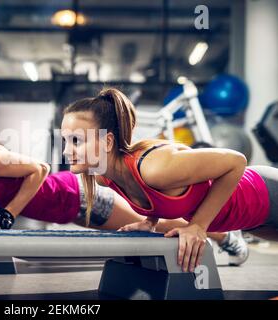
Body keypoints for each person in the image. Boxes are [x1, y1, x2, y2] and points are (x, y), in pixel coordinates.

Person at [61, 88, 277, 272]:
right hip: (250, 221)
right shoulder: (104, 179)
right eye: (65, 140)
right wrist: (150, 222)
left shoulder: (154, 167)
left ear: (107, 141)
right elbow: (161, 195)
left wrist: (198, 226)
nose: (66, 151)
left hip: (265, 193)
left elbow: (236, 161)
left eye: (76, 141)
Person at [0, 90, 189, 233]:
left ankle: (222, 236)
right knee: (151, 231)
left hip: (74, 196)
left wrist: (8, 213)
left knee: (159, 226)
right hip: (66, 210)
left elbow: (40, 168)